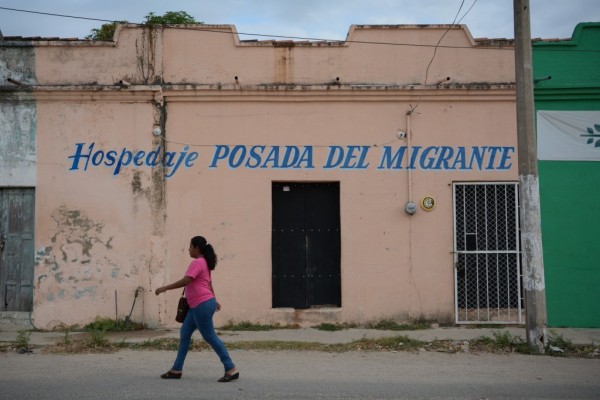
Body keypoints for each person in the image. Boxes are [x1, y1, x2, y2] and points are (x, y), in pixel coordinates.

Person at [155, 236, 238, 382]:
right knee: (185, 333)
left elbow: (187, 280)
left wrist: (164, 288)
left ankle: (230, 367)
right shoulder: (204, 262)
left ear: (197, 248)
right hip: (200, 304)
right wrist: (214, 299)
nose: (188, 249)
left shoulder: (197, 262)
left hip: (201, 305)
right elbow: (208, 283)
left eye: (190, 246)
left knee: (209, 336)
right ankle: (176, 369)